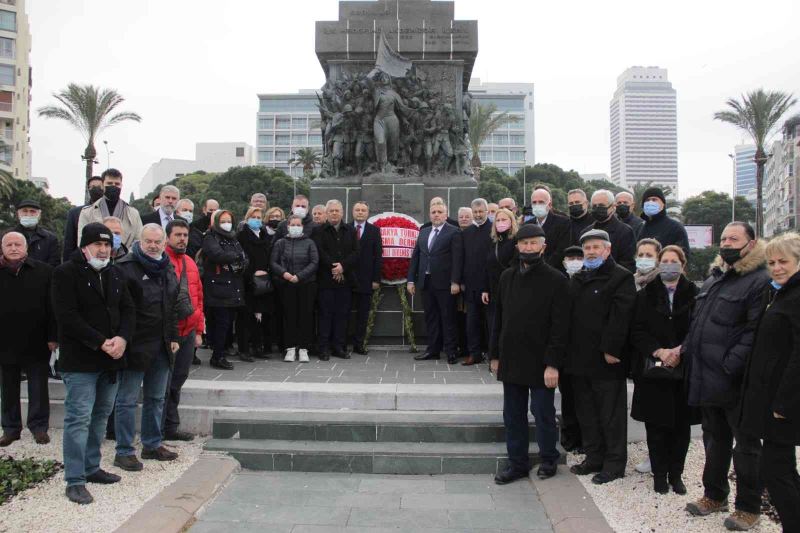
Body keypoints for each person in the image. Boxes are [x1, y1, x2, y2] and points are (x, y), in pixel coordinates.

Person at [683, 222, 768, 530]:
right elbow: (698, 324)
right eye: (723, 238)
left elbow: (754, 332)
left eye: (734, 238)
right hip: (707, 378)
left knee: (746, 448)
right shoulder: (714, 279)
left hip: (736, 381)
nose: (727, 243)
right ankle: (714, 495)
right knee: (714, 441)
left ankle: (749, 507)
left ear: (751, 242)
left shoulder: (759, 280)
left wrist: (730, 365)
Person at [53, 223, 135, 504]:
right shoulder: (65, 273)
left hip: (111, 360)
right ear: (84, 246)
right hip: (81, 361)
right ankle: (74, 479)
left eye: (107, 245)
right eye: (97, 245)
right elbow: (67, 316)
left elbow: (128, 309)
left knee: (100, 417)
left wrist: (123, 338)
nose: (103, 250)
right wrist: (101, 341)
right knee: (78, 419)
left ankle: (91, 467)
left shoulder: (115, 272)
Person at [489, 223, 569, 484]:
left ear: (543, 246)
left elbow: (560, 326)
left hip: (541, 361)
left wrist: (553, 364)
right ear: (517, 246)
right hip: (511, 358)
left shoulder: (557, 279)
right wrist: (494, 356)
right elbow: (498, 319)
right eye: (524, 243)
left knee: (543, 412)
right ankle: (517, 464)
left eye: (534, 243)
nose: (529, 247)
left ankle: (549, 459)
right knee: (512, 415)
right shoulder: (507, 277)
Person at [740, 232, 800, 532]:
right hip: (770, 396)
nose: (777, 268)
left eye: (784, 262)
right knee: (781, 468)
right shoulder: (778, 293)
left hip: (784, 402)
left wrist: (784, 403)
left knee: (775, 471)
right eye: (772, 262)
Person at [566, 229, 636, 485]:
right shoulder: (578, 277)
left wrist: (612, 349)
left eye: (596, 247)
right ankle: (594, 457)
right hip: (579, 359)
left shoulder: (621, 277)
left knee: (610, 414)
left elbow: (621, 317)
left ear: (607, 250)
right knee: (586, 412)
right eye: (587, 248)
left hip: (606, 360)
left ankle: (615, 463)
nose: (591, 252)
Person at [630, 245, 698, 495]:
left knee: (681, 428)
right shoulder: (646, 295)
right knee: (656, 426)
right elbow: (636, 330)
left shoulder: (695, 294)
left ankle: (676, 474)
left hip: (683, 370)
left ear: (683, 264)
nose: (670, 265)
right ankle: (659, 474)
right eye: (665, 261)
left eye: (674, 261)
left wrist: (680, 350)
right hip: (653, 370)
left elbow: (698, 328)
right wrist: (659, 351)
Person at [113, 224, 179, 472]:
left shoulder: (167, 266)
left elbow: (172, 304)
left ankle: (152, 444)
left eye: (157, 241)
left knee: (156, 398)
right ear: (139, 241)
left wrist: (173, 336)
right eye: (148, 241)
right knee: (127, 400)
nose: (153, 245)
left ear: (164, 243)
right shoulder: (125, 267)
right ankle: (124, 451)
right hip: (135, 343)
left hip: (162, 344)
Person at [0, 232, 56, 447]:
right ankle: (11, 428)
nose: (13, 248)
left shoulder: (44, 271)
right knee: (8, 387)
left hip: (37, 338)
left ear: (26, 247)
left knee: (38, 386)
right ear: (2, 247)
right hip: (5, 340)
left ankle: (39, 427)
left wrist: (53, 336)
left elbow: (52, 307)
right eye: (9, 244)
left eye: (18, 244)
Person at [163, 219, 204, 442]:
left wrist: (198, 328)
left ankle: (171, 426)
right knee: (163, 382)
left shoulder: (190, 261)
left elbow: (199, 296)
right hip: (169, 333)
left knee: (178, 379)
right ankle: (160, 427)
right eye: (177, 235)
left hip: (188, 331)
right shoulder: (161, 261)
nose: (182, 239)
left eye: (185, 235)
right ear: (168, 237)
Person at [408, 202, 463, 364]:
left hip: (446, 284)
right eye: (433, 212)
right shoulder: (423, 232)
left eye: (440, 212)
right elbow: (416, 257)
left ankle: (451, 351)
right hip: (426, 282)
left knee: (448, 318)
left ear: (446, 215)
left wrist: (455, 281)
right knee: (431, 318)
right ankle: (433, 350)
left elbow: (457, 260)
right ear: (429, 215)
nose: (436, 215)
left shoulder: (454, 232)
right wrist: (411, 279)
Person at [202, 210, 248, 370]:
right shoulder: (210, 237)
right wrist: (236, 256)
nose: (227, 224)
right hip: (218, 286)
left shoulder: (233, 238)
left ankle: (220, 352)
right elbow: (217, 255)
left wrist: (237, 258)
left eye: (229, 220)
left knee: (227, 323)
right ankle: (217, 356)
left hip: (234, 284)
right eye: (223, 221)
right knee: (221, 322)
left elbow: (244, 257)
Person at [271, 214, 319, 362]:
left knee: (305, 316)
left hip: (306, 284)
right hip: (286, 284)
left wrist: (299, 276)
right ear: (288, 226)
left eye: (299, 225)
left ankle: (304, 348)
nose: (296, 227)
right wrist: (285, 274)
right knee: (288, 316)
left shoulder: (310, 242)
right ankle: (290, 348)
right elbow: (273, 262)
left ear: (303, 227)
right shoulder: (280, 243)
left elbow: (314, 262)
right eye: (293, 225)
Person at [315, 199, 359, 360]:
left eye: (337, 210)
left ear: (342, 212)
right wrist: (334, 267)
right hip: (326, 280)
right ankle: (323, 348)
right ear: (326, 213)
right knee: (325, 315)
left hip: (345, 281)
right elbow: (320, 252)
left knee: (342, 315)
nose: (334, 213)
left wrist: (343, 267)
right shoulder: (319, 231)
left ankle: (339, 347)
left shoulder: (350, 230)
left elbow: (356, 252)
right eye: (331, 211)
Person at [237, 206, 274, 360]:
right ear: (247, 218)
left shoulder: (265, 235)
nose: (257, 220)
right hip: (247, 280)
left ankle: (258, 347)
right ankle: (244, 349)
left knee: (261, 315)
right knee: (246, 316)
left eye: (259, 217)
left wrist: (266, 271)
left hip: (264, 281)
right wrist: (252, 273)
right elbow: (241, 258)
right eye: (254, 217)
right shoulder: (241, 236)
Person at [558, 244, 584, 454]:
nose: (574, 261)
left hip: (583, 350)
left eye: (578, 257)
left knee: (583, 398)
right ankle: (569, 436)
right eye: (570, 257)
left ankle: (585, 438)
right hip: (564, 350)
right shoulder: (558, 282)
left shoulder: (587, 281)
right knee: (567, 397)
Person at [78, 168, 143, 251]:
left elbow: (139, 241)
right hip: (96, 259)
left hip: (126, 260)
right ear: (102, 185)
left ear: (121, 185)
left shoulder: (133, 213)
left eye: (117, 184)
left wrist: (125, 257)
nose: (113, 186)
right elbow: (82, 242)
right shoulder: (87, 213)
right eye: (109, 183)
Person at [461, 198, 492, 365]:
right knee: (471, 322)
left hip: (489, 285)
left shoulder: (493, 230)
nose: (478, 215)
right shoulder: (466, 233)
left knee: (489, 322)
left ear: (486, 212)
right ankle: (474, 353)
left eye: (481, 211)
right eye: (476, 212)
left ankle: (491, 353)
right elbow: (462, 259)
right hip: (471, 285)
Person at [350, 201, 382, 355]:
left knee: (363, 315)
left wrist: (376, 279)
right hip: (347, 279)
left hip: (366, 279)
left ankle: (359, 344)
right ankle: (342, 344)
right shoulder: (346, 229)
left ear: (368, 213)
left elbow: (377, 257)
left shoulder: (374, 231)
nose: (360, 212)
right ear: (352, 212)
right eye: (357, 210)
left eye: (363, 210)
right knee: (345, 313)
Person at [481, 208, 518, 341]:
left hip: (510, 289)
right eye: (498, 220)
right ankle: (494, 356)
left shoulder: (516, 240)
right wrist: (485, 289)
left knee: (507, 325)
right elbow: (487, 266)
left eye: (504, 219)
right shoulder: (494, 241)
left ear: (511, 221)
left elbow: (515, 265)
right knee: (493, 325)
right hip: (493, 290)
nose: (500, 222)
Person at [585, 189, 635, 272]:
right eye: (594, 206)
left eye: (601, 205)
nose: (597, 208)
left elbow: (627, 264)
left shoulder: (625, 231)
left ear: (612, 207)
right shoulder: (586, 232)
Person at [524, 189, 571, 272]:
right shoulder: (527, 225)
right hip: (530, 271)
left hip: (555, 273)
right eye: (534, 202)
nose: (537, 205)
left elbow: (561, 251)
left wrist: (542, 268)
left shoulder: (563, 223)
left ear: (549, 205)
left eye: (541, 202)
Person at [63, 176, 104, 262]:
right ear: (88, 189)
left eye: (100, 187)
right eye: (92, 187)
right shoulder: (75, 213)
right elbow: (69, 243)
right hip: (82, 260)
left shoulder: (111, 211)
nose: (96, 189)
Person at [639, 187, 690, 256]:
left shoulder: (675, 228)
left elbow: (682, 257)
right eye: (647, 200)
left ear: (663, 204)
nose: (650, 202)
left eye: (654, 199)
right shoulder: (640, 228)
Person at [13, 199, 60, 267]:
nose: (28, 214)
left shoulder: (50, 238)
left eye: (32, 211)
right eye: (25, 211)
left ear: (39, 215)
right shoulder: (6, 236)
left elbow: (54, 265)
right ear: (18, 214)